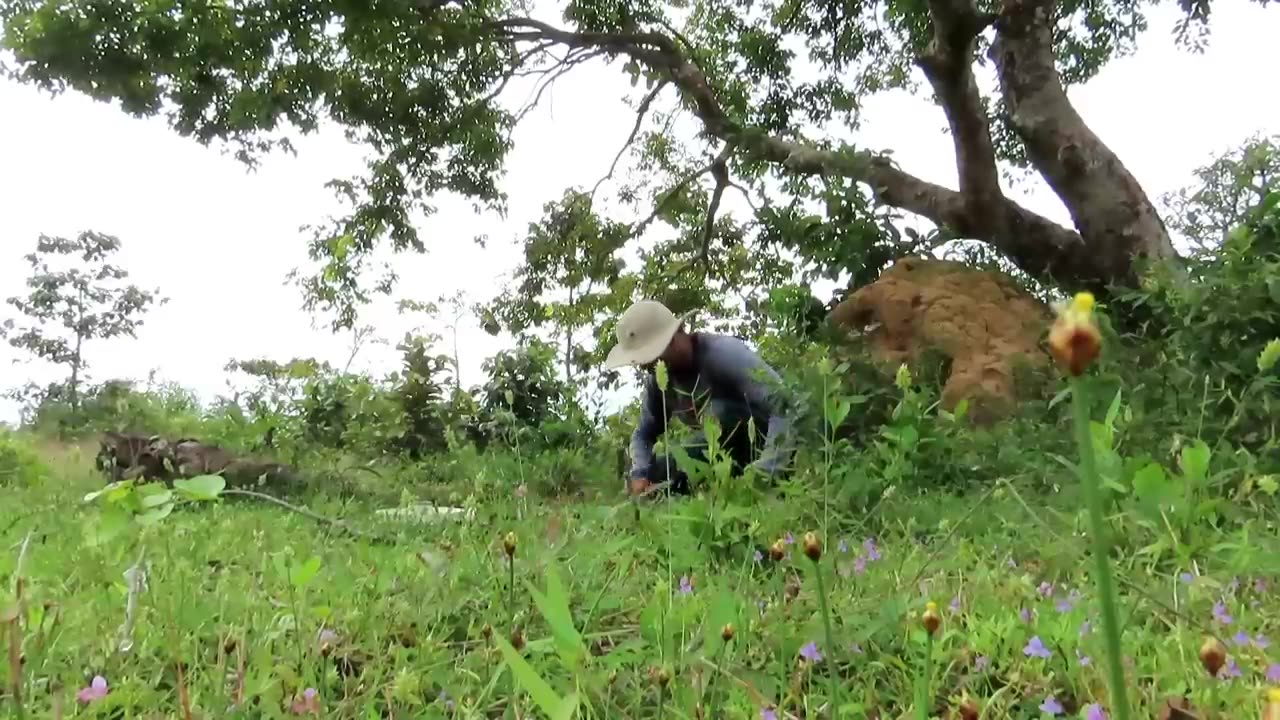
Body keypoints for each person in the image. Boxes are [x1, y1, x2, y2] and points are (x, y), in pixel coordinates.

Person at [604, 299, 795, 496]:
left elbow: (784, 405)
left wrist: (766, 471)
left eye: (654, 357)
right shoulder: (659, 379)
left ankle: (754, 483)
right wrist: (640, 472)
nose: (647, 367)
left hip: (764, 442)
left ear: (676, 337)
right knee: (658, 472)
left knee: (717, 414)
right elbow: (643, 433)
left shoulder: (723, 354)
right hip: (717, 454)